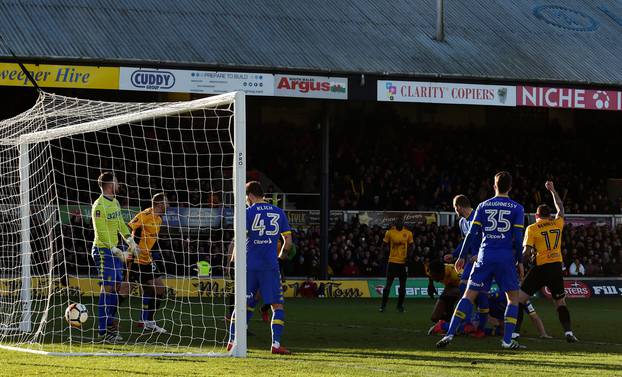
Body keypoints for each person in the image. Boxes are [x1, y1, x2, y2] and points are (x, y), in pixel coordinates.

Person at [437, 171, 525, 350]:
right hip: (505, 257)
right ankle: (507, 341)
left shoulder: (483, 206)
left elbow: (471, 234)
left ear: (494, 186)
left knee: (468, 296)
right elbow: (517, 236)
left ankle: (450, 333)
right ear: (510, 187)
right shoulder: (517, 208)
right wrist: (520, 261)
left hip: (484, 256)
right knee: (513, 299)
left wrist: (461, 256)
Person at [227, 181, 293, 355]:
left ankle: (232, 341)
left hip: (248, 265)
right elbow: (288, 243)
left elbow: (238, 240)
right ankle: (276, 345)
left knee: (243, 304)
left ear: (249, 196)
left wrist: (233, 262)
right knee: (277, 306)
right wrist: (280, 259)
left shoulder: (247, 212)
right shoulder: (279, 213)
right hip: (269, 266)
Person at [518, 181, 578, 342]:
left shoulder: (532, 228)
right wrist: (553, 190)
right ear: (549, 215)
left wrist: (519, 262)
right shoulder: (557, 223)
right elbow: (561, 207)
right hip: (556, 267)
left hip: (540, 268)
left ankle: (514, 333)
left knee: (519, 299)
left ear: (537, 216)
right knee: (560, 302)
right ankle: (569, 333)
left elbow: (527, 252)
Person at [90, 172, 137, 343]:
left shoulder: (115, 202)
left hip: (115, 251)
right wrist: (118, 251)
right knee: (107, 288)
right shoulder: (99, 206)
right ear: (110, 184)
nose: (118, 184)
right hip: (103, 251)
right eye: (116, 182)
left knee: (118, 287)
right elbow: (101, 234)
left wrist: (130, 240)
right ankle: (103, 331)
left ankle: (110, 323)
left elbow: (120, 224)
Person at [127, 192, 169, 333]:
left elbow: (151, 240)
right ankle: (109, 320)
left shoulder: (159, 220)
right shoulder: (143, 215)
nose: (168, 205)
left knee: (160, 290)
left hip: (147, 259)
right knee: (125, 290)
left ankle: (149, 322)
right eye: (166, 202)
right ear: (160, 203)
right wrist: (133, 245)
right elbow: (128, 228)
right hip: (135, 259)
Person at [451, 195, 489, 333]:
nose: (455, 210)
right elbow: (465, 241)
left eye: (455, 208)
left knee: (482, 293)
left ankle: (481, 326)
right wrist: (455, 254)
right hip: (471, 260)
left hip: (485, 259)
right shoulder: (462, 222)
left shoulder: (478, 217)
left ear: (459, 207)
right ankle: (467, 321)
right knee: (463, 286)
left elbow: (488, 238)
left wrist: (479, 254)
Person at [379, 218, 414, 313]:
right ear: (395, 223)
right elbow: (384, 244)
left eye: (401, 223)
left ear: (403, 224)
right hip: (392, 261)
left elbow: (412, 246)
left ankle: (400, 306)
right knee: (388, 285)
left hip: (403, 263)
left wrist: (409, 256)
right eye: (398, 223)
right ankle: (383, 306)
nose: (399, 224)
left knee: (403, 286)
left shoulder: (408, 233)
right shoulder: (390, 232)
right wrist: (383, 254)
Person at [426, 260, 461, 327]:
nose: (433, 277)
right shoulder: (434, 270)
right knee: (435, 318)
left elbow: (468, 282)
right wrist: (430, 285)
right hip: (449, 288)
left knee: (449, 292)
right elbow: (429, 275)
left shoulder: (455, 273)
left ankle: (454, 320)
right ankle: (450, 319)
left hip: (463, 287)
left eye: (434, 275)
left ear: (441, 273)